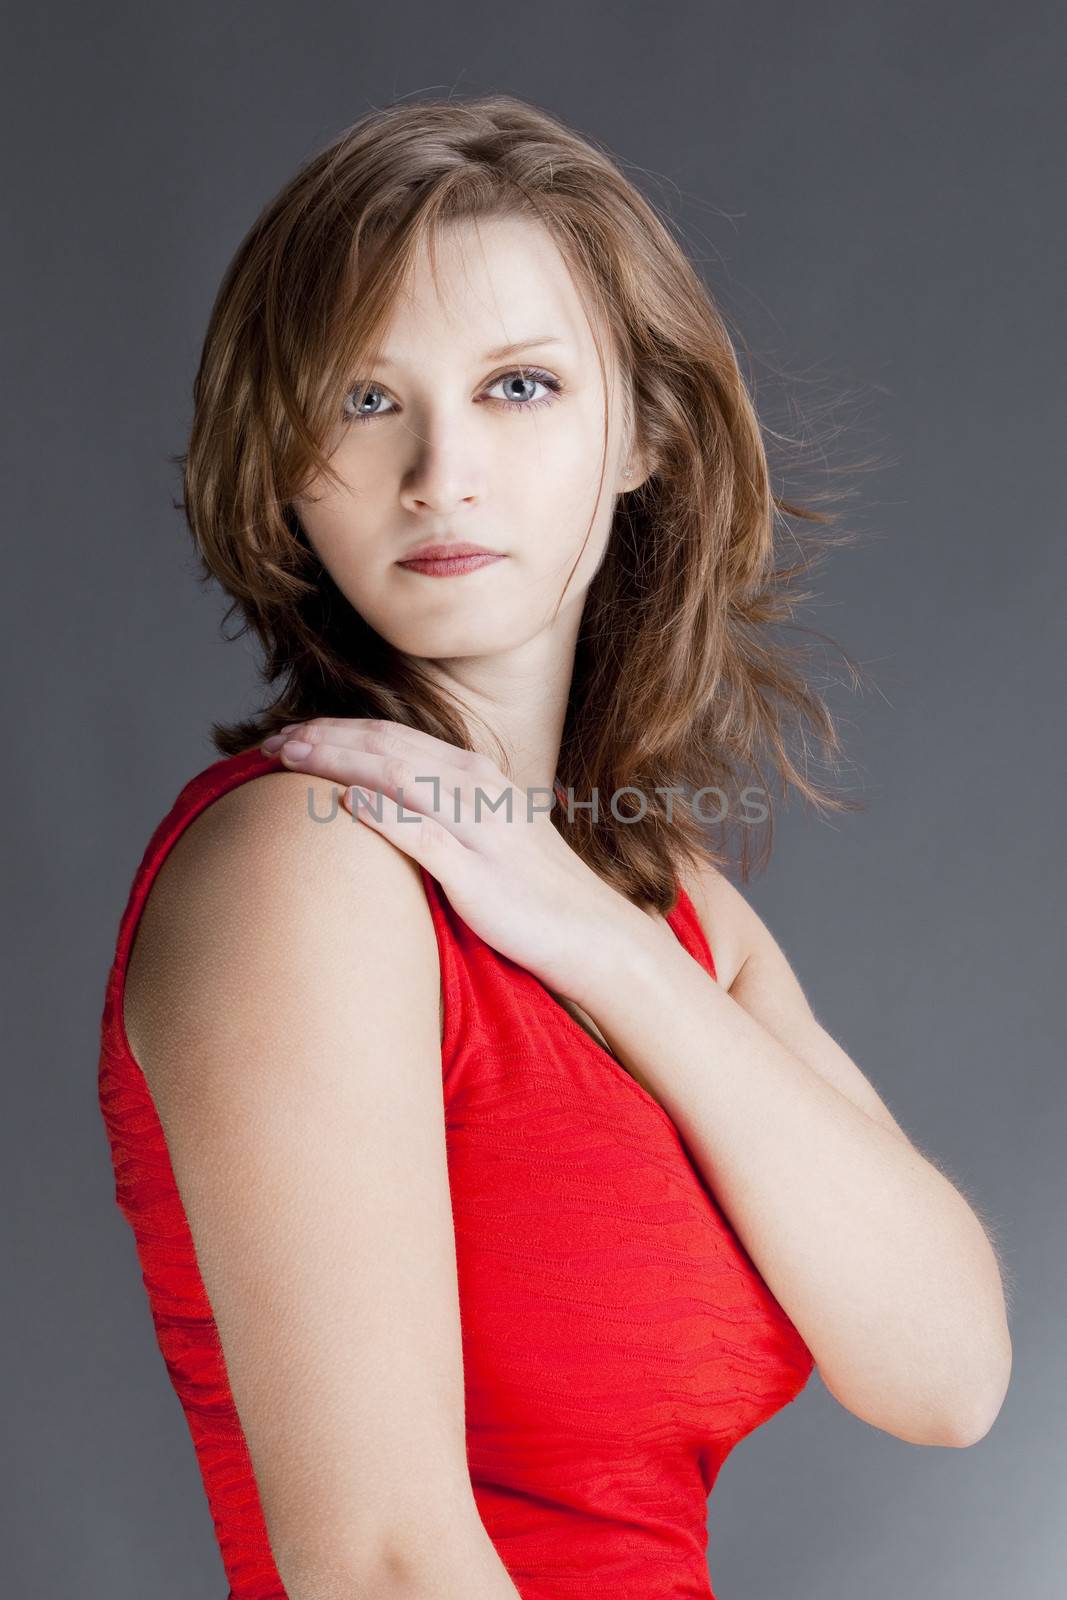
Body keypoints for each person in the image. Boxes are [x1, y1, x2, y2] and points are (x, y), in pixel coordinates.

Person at [98, 93, 1012, 1600]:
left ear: (643, 430)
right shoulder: (307, 866)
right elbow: (384, 1565)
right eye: (364, 398)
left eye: (519, 386)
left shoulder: (658, 910)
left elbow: (948, 1373)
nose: (440, 471)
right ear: (282, 462)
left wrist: (598, 942)